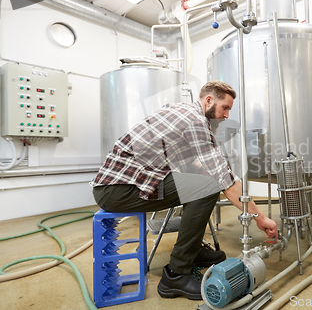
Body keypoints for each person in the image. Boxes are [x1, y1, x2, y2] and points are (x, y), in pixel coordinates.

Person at [90, 80, 278, 300]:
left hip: (122, 183)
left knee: (204, 183)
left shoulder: (180, 110)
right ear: (208, 100)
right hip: (118, 189)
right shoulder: (196, 121)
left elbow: (197, 164)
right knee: (208, 188)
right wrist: (259, 217)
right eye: (224, 107)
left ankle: (192, 250)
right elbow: (223, 179)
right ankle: (176, 275)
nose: (227, 115)